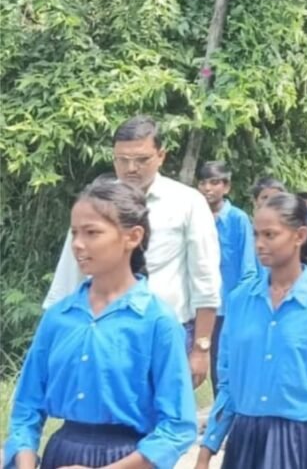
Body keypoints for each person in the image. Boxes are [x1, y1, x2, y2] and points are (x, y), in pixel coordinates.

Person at [4, 180, 197, 469]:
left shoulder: (157, 322)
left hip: (129, 460)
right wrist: (25, 463)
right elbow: (26, 408)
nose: (78, 244)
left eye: (92, 232)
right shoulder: (58, 317)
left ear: (133, 237)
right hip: (61, 456)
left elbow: (177, 427)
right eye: (74, 233)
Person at [42, 115, 221, 387]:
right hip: (100, 332)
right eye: (122, 160)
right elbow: (69, 274)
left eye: (141, 160)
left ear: (161, 156)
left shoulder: (187, 203)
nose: (130, 168)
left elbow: (205, 278)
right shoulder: (95, 202)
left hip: (165, 333)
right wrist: (51, 339)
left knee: (162, 408)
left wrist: (201, 348)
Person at [196, 193, 307, 469]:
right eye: (256, 235)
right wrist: (207, 450)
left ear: (300, 236)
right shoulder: (239, 301)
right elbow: (229, 384)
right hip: (247, 441)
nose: (260, 244)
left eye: (270, 235)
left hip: (303, 443)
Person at [197, 161, 257, 396]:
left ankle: (225, 412)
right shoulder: (194, 217)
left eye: (214, 183)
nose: (207, 188)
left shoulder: (237, 219)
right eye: (203, 182)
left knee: (221, 367)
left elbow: (248, 268)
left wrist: (240, 307)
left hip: (226, 308)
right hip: (197, 304)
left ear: (226, 186)